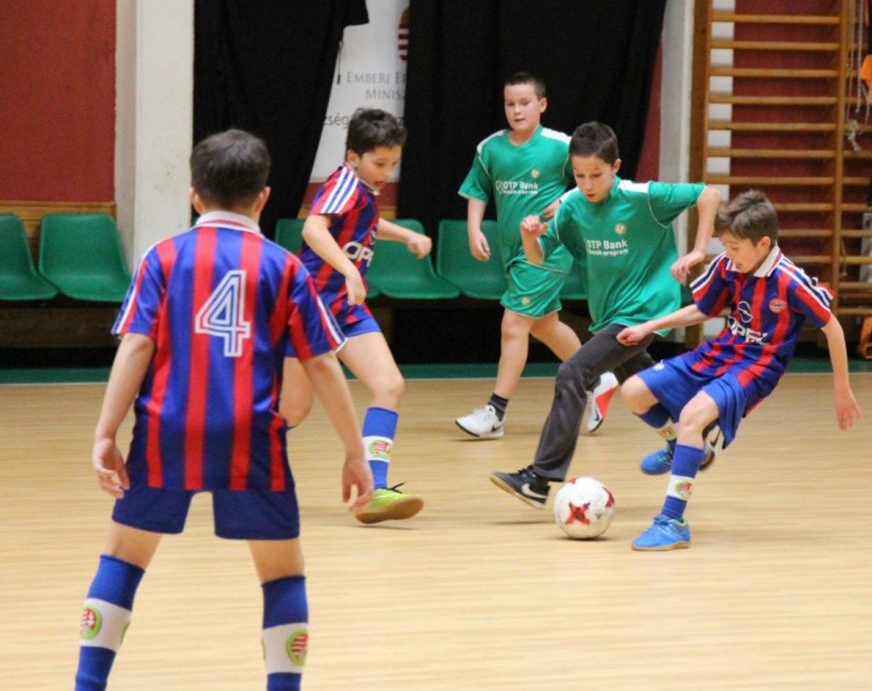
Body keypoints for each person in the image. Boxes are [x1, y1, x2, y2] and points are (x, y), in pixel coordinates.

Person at [74, 130, 373, 691]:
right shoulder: (286, 267)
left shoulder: (163, 257)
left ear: (194, 195)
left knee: (123, 559)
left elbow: (136, 346)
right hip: (251, 436)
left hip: (166, 431)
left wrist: (104, 433)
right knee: (282, 573)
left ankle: (87, 686)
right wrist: (356, 453)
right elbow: (322, 364)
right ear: (263, 198)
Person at [490, 121, 721, 508]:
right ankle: (693, 437)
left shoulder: (642, 197)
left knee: (573, 372)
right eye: (579, 175)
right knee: (644, 386)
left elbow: (708, 194)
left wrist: (699, 250)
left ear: (616, 166)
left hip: (645, 312)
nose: (587, 184)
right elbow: (539, 256)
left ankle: (540, 479)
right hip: (609, 317)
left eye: (596, 174)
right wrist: (530, 238)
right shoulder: (572, 207)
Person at [617, 189, 862, 551]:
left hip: (756, 367)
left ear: (763, 244)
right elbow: (703, 309)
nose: (728, 254)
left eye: (734, 247)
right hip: (721, 352)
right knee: (633, 392)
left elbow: (833, 328)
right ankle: (680, 447)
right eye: (725, 246)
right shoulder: (729, 265)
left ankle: (672, 522)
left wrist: (841, 388)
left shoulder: (790, 281)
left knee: (692, 418)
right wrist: (649, 326)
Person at [280, 108, 427, 525]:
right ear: (352, 157)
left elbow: (368, 225)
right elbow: (312, 229)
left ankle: (374, 489)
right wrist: (348, 270)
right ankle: (237, 457)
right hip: (310, 307)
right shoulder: (344, 182)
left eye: (393, 164)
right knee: (293, 411)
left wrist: (407, 234)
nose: (386, 173)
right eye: (379, 163)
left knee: (389, 385)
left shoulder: (363, 189)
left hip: (345, 309)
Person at [455, 72, 617, 440]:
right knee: (544, 325)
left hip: (549, 250)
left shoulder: (561, 146)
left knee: (513, 325)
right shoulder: (490, 148)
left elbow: (593, 179)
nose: (517, 110)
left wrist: (567, 199)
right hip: (512, 252)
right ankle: (597, 379)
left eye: (524, 103)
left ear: (541, 105)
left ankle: (495, 412)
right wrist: (474, 228)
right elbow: (477, 189)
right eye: (510, 104)